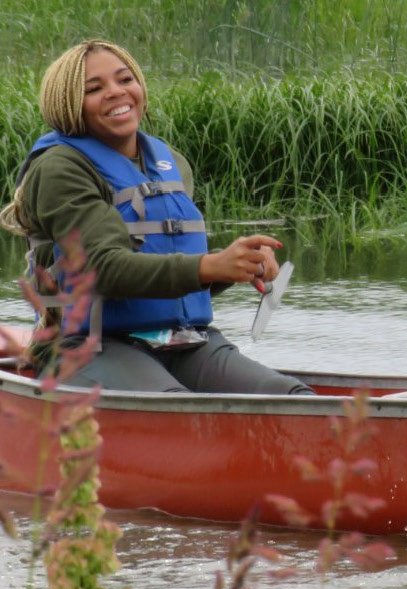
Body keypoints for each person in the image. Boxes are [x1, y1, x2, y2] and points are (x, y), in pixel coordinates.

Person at [0, 39, 311, 395]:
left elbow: (169, 271)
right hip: (89, 348)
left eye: (125, 79)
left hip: (184, 343)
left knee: (292, 398)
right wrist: (210, 266)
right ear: (68, 104)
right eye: (94, 88)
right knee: (175, 409)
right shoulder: (60, 169)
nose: (117, 93)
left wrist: (236, 266)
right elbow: (101, 269)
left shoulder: (169, 163)